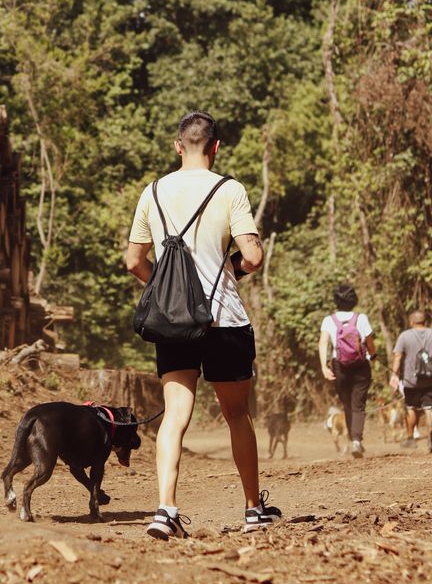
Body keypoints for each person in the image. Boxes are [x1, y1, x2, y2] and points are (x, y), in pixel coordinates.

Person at [125, 110, 281, 540]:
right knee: (237, 415)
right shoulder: (229, 190)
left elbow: (134, 261)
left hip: (173, 322)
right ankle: (253, 509)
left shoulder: (153, 192)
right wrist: (230, 269)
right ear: (216, 147)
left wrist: (167, 291)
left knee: (175, 414)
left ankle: (165, 510)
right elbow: (254, 257)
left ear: (178, 146)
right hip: (223, 319)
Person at [318, 284, 376, 458]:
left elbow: (323, 343)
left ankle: (353, 439)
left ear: (336, 301)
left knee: (347, 405)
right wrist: (373, 355)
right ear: (354, 300)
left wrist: (324, 366)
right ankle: (357, 440)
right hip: (361, 366)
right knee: (358, 404)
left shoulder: (329, 320)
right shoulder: (361, 318)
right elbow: (370, 342)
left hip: (339, 367)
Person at [390, 310, 432, 450]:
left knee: (411, 408)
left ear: (412, 321)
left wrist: (394, 375)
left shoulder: (405, 336)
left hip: (410, 381)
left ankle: (410, 439)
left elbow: (397, 356)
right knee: (429, 408)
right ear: (425, 321)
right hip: (430, 380)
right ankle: (431, 438)